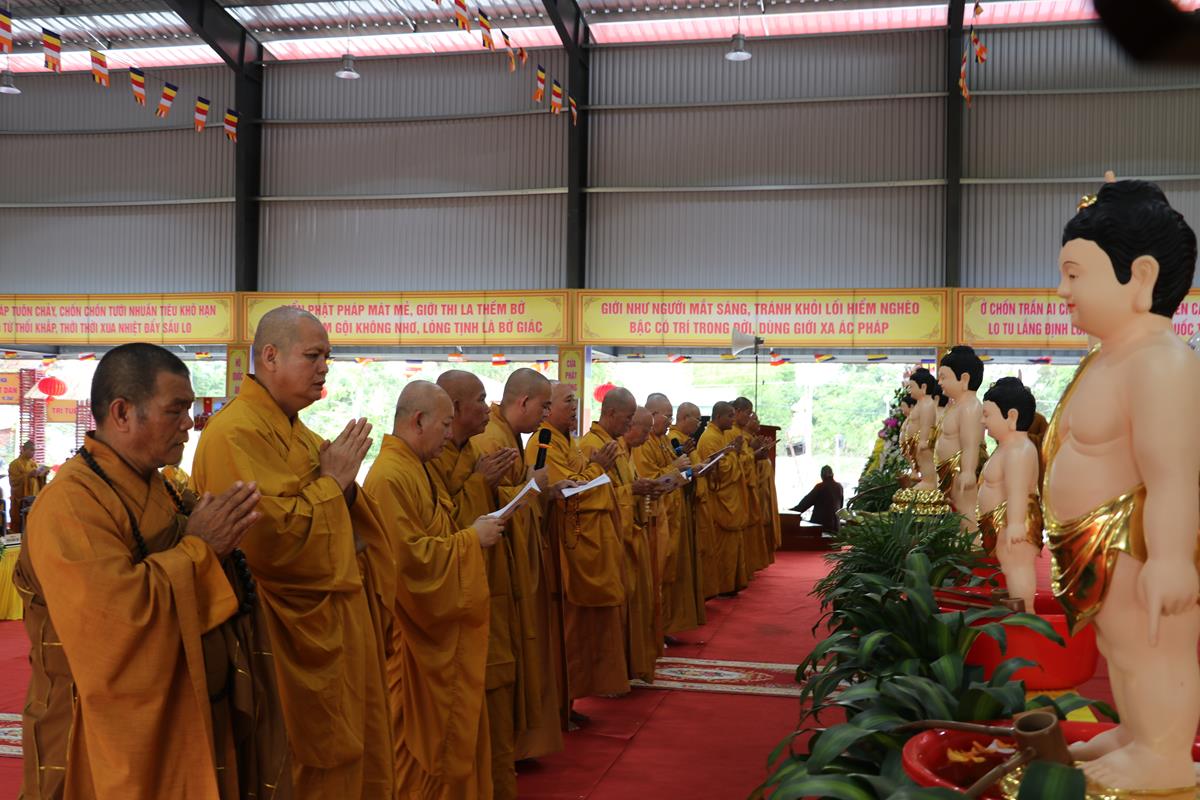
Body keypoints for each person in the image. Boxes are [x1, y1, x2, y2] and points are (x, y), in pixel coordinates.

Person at [14, 343, 289, 799]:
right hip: (98, 736)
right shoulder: (70, 504)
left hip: (186, 716)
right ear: (122, 413)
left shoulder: (160, 487)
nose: (189, 423)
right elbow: (116, 624)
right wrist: (202, 549)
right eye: (176, 410)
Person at [192, 306, 398, 799]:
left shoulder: (302, 434)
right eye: (313, 356)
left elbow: (349, 519)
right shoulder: (233, 433)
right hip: (277, 637)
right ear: (270, 356)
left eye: (327, 357)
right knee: (295, 763)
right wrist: (332, 484)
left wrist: (342, 487)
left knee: (348, 757)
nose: (324, 368)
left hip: (332, 628)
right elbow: (266, 542)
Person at [1045, 180, 1200, 791]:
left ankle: (1164, 752)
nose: (1062, 291)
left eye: (1075, 274)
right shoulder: (1107, 357)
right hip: (1097, 543)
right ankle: (1138, 732)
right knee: (1120, 647)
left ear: (1140, 277)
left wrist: (1170, 558)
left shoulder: (1162, 362)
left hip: (1136, 542)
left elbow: (1172, 474)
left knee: (1152, 648)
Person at [364, 380, 503, 800]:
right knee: (413, 756)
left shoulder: (417, 467)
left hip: (436, 636)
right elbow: (407, 563)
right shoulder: (390, 475)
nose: (449, 433)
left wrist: (466, 535)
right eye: (445, 425)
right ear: (419, 420)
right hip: (410, 641)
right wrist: (471, 540)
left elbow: (434, 537)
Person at [470, 368, 562, 793]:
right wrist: (532, 488)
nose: (547, 415)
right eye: (545, 406)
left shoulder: (509, 437)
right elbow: (482, 505)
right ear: (523, 401)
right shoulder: (492, 438)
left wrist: (539, 489)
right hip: (495, 572)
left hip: (514, 566)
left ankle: (514, 747)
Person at [527, 381, 628, 719]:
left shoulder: (566, 441)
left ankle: (568, 702)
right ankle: (558, 707)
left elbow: (578, 480)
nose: (574, 407)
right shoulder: (543, 442)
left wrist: (594, 469)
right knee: (565, 632)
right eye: (567, 401)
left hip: (581, 547)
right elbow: (569, 493)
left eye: (576, 402)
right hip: (564, 548)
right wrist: (598, 469)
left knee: (577, 631)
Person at [977, 377, 1042, 612]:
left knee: (1018, 567)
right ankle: (1018, 609)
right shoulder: (1006, 447)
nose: (983, 421)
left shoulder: (1019, 450)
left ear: (1011, 417)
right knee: (1011, 567)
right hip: (1001, 522)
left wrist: (1015, 523)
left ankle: (1026, 613)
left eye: (987, 415)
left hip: (1014, 522)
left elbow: (1017, 490)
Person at [632, 394, 693, 641]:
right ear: (652, 414)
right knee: (656, 575)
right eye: (667, 416)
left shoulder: (664, 440)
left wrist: (689, 470)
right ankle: (653, 630)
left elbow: (669, 472)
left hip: (670, 514)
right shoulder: (643, 443)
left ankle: (663, 626)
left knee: (668, 573)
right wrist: (675, 468)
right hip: (654, 517)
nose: (670, 421)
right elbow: (648, 480)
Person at [698, 401, 745, 596]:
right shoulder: (710, 437)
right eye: (730, 416)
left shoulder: (722, 435)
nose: (733, 420)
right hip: (718, 500)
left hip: (729, 499)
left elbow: (726, 460)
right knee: (721, 547)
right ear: (718, 416)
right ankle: (721, 586)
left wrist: (735, 453)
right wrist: (735, 454)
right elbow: (721, 470)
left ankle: (729, 584)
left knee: (730, 546)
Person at [729, 398, 769, 573]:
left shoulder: (741, 434)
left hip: (746, 486)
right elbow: (731, 463)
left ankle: (745, 569)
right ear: (737, 411)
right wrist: (753, 453)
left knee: (750, 527)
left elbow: (743, 460)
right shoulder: (732, 433)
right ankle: (740, 571)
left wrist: (754, 451)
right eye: (748, 413)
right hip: (736, 489)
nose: (750, 417)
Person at [9, 439, 48, 533]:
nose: (33, 452)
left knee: (33, 520)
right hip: (20, 497)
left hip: (34, 495)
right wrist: (28, 475)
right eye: (31, 450)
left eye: (34, 450)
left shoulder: (33, 463)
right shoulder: (15, 464)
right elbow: (13, 481)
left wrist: (42, 475)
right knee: (20, 522)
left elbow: (38, 479)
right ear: (23, 450)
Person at [791, 466, 844, 533]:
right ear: (833, 474)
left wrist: (790, 512)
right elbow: (840, 506)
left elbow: (805, 504)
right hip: (835, 527)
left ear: (822, 475)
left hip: (821, 527)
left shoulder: (820, 487)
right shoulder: (839, 487)